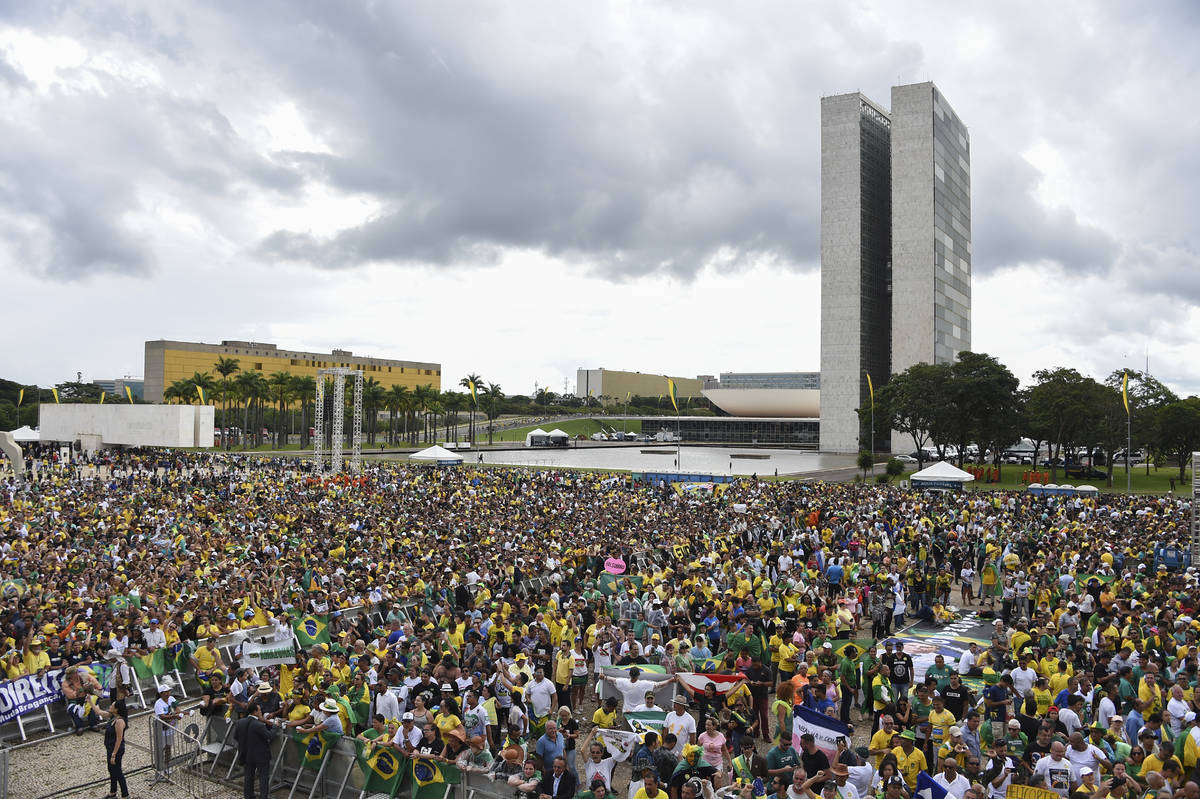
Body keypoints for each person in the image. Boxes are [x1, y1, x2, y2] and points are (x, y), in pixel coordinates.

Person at [234, 699, 276, 799]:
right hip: (261, 755)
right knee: (263, 777)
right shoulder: (259, 725)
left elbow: (236, 736)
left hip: (246, 753)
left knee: (248, 777)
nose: (260, 712)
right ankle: (263, 797)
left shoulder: (240, 722)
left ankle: (248, 796)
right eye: (259, 710)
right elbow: (269, 736)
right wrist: (275, 726)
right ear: (255, 712)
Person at [103, 699, 130, 799]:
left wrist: (114, 754)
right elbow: (99, 712)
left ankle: (125, 794)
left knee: (117, 771)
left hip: (116, 749)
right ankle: (113, 791)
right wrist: (90, 702)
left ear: (116, 709)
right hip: (110, 747)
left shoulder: (119, 722)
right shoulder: (113, 717)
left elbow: (119, 739)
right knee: (111, 769)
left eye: (112, 705)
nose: (110, 706)